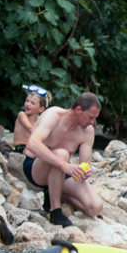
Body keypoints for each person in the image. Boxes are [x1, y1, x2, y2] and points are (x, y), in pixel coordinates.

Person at [23, 92, 105, 227]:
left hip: (62, 170)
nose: (92, 123)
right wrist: (63, 165)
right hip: (36, 168)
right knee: (62, 154)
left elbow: (85, 163)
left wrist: (86, 170)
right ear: (78, 110)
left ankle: (57, 193)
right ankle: (54, 210)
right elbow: (32, 143)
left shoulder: (87, 132)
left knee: (95, 207)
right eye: (90, 117)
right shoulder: (54, 115)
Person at [1, 84, 51, 154]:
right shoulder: (22, 115)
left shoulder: (40, 119)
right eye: (27, 101)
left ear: (41, 109)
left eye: (32, 103)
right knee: (36, 153)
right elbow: (30, 129)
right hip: (21, 147)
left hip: (32, 148)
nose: (28, 104)